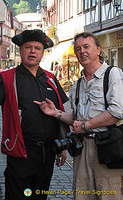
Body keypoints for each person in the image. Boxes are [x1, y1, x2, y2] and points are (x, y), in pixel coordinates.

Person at [0, 29, 68, 200]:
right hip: (21, 153)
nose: (33, 51)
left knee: (39, 195)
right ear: (21, 51)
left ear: (42, 53)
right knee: (20, 195)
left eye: (37, 48)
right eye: (28, 47)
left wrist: (62, 146)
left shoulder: (50, 78)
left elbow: (60, 112)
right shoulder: (9, 78)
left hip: (47, 153)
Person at [34, 32, 123, 200]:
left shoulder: (113, 74)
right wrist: (56, 113)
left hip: (107, 146)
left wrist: (84, 126)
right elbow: (76, 119)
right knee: (82, 194)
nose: (82, 51)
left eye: (86, 47)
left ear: (98, 50)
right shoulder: (78, 84)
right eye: (78, 49)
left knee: (109, 194)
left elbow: (117, 112)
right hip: (82, 148)